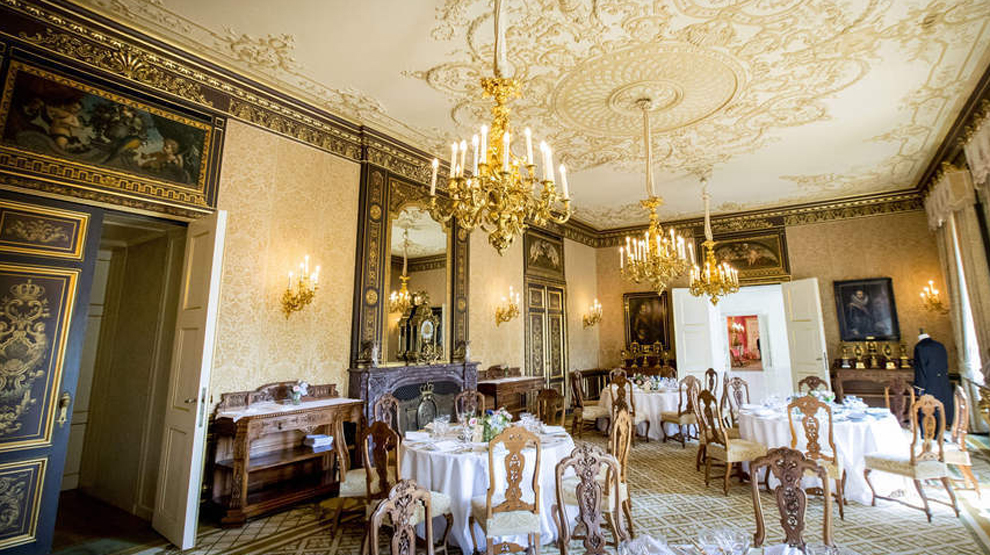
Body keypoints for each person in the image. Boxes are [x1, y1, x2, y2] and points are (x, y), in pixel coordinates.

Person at [913, 331, 953, 429]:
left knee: (929, 408)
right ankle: (944, 425)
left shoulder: (920, 347)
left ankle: (930, 429)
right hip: (943, 381)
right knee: (942, 404)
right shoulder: (940, 345)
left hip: (929, 382)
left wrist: (919, 388)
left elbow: (920, 369)